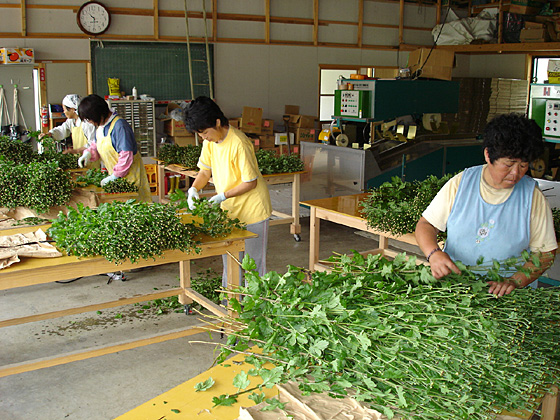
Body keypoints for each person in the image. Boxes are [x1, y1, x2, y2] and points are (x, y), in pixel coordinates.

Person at [415, 113, 557, 297]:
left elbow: (546, 253)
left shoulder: (532, 197)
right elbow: (426, 224)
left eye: (523, 166)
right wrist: (433, 253)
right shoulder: (461, 183)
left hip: (507, 298)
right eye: (509, 164)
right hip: (457, 288)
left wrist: (514, 281)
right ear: (488, 155)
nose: (515, 173)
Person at [183, 96, 272, 287]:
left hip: (253, 210)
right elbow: (205, 171)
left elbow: (251, 182)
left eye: (205, 132)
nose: (204, 137)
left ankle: (255, 310)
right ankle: (231, 304)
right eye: (200, 134)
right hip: (230, 212)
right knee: (230, 259)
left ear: (217, 122)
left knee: (253, 264)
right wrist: (193, 189)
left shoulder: (239, 143)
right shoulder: (210, 142)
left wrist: (223, 195)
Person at [76, 94, 151, 202]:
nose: (90, 122)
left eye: (90, 119)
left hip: (130, 180)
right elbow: (97, 146)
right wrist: (88, 153)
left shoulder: (120, 126)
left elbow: (126, 155)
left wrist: (115, 176)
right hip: (118, 180)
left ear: (98, 114)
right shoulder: (101, 127)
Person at [39, 94, 100, 168]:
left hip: (91, 160)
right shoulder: (71, 121)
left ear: (72, 109)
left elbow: (93, 143)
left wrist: (76, 151)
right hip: (80, 159)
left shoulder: (87, 123)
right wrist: (49, 134)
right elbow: (62, 130)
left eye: (64, 109)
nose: (64, 112)